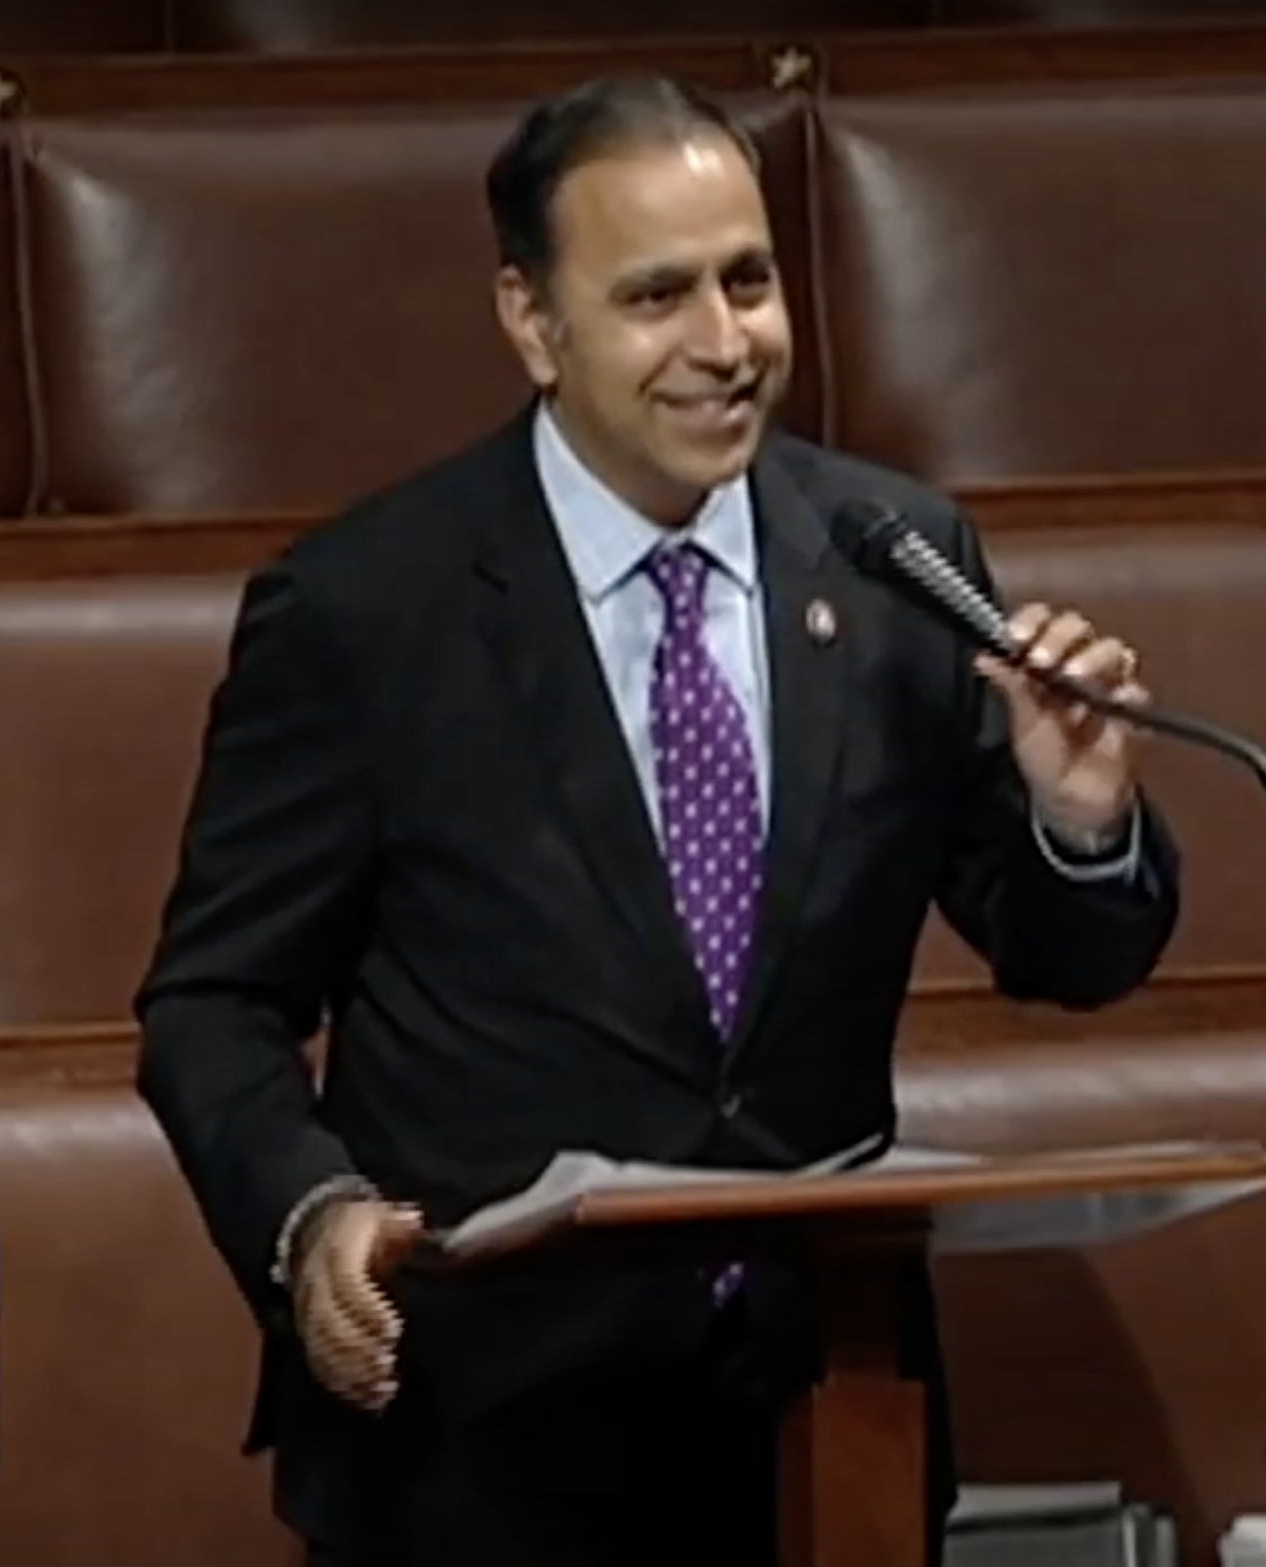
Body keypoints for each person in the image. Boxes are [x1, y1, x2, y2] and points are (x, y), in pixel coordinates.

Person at [133, 71, 1183, 1567]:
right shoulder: (370, 610)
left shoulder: (896, 562)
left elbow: (1070, 954)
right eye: (655, 296)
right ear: (532, 322)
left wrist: (1078, 819)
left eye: (749, 281)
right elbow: (211, 1001)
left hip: (829, 1428)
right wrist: (310, 1222)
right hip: (475, 1452)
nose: (724, 342)